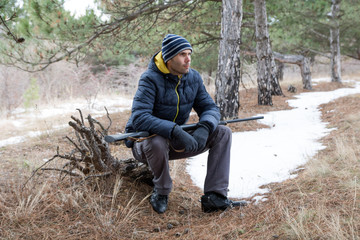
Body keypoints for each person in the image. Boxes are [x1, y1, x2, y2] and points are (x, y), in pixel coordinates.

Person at [125, 34, 246, 214]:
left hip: (177, 140)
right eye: (182, 54)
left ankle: (215, 197)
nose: (188, 59)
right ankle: (161, 191)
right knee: (156, 141)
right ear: (168, 58)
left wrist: (205, 127)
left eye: (189, 54)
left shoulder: (193, 77)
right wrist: (173, 130)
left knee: (222, 132)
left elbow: (210, 108)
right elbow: (140, 117)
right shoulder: (149, 79)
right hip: (146, 143)